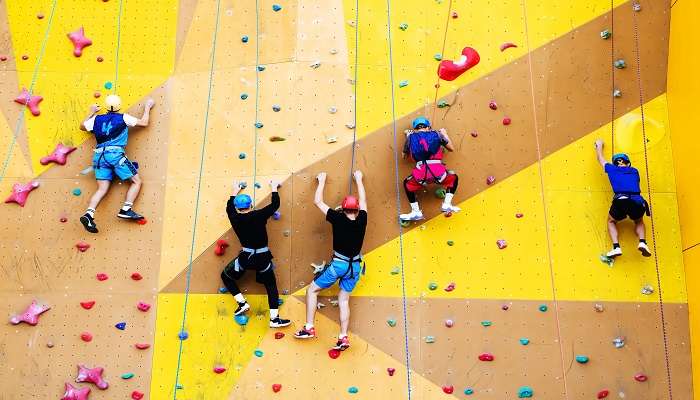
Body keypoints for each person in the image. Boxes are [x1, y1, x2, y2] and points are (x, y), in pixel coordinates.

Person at [294, 171, 367, 351]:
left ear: (342, 208)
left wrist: (322, 181)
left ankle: (309, 327)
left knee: (312, 291)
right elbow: (364, 201)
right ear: (357, 209)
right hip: (354, 267)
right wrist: (359, 179)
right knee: (343, 300)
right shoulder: (362, 220)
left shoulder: (337, 218)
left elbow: (317, 201)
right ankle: (343, 337)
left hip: (339, 265)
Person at [78, 95, 154, 233]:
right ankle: (126, 208)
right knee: (136, 181)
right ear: (119, 106)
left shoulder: (96, 119)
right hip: (116, 155)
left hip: (99, 157)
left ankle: (89, 214)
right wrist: (147, 107)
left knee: (101, 189)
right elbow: (144, 123)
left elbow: (82, 126)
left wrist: (92, 111)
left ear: (106, 107)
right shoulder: (123, 117)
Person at [222, 180, 291, 328]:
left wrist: (234, 191)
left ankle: (242, 303)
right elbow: (275, 205)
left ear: (237, 208)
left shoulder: (234, 218)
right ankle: (274, 319)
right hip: (262, 259)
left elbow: (229, 208)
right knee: (271, 285)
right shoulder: (259, 215)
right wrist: (273, 187)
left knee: (225, 276)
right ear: (251, 205)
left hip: (245, 259)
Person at [594, 139, 651, 258]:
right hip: (637, 201)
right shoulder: (634, 171)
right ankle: (642, 242)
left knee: (611, 221)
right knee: (638, 220)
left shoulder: (612, 169)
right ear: (628, 163)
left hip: (621, 200)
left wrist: (599, 146)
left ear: (615, 164)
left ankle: (616, 247)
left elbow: (601, 159)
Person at [399, 116, 460, 221]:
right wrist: (444, 134)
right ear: (428, 127)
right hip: (439, 174)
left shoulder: (410, 137)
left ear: (415, 129)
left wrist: (408, 137)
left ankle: (416, 212)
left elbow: (404, 156)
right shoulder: (437, 134)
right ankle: (447, 204)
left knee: (407, 184)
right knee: (454, 178)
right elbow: (451, 148)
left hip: (420, 176)